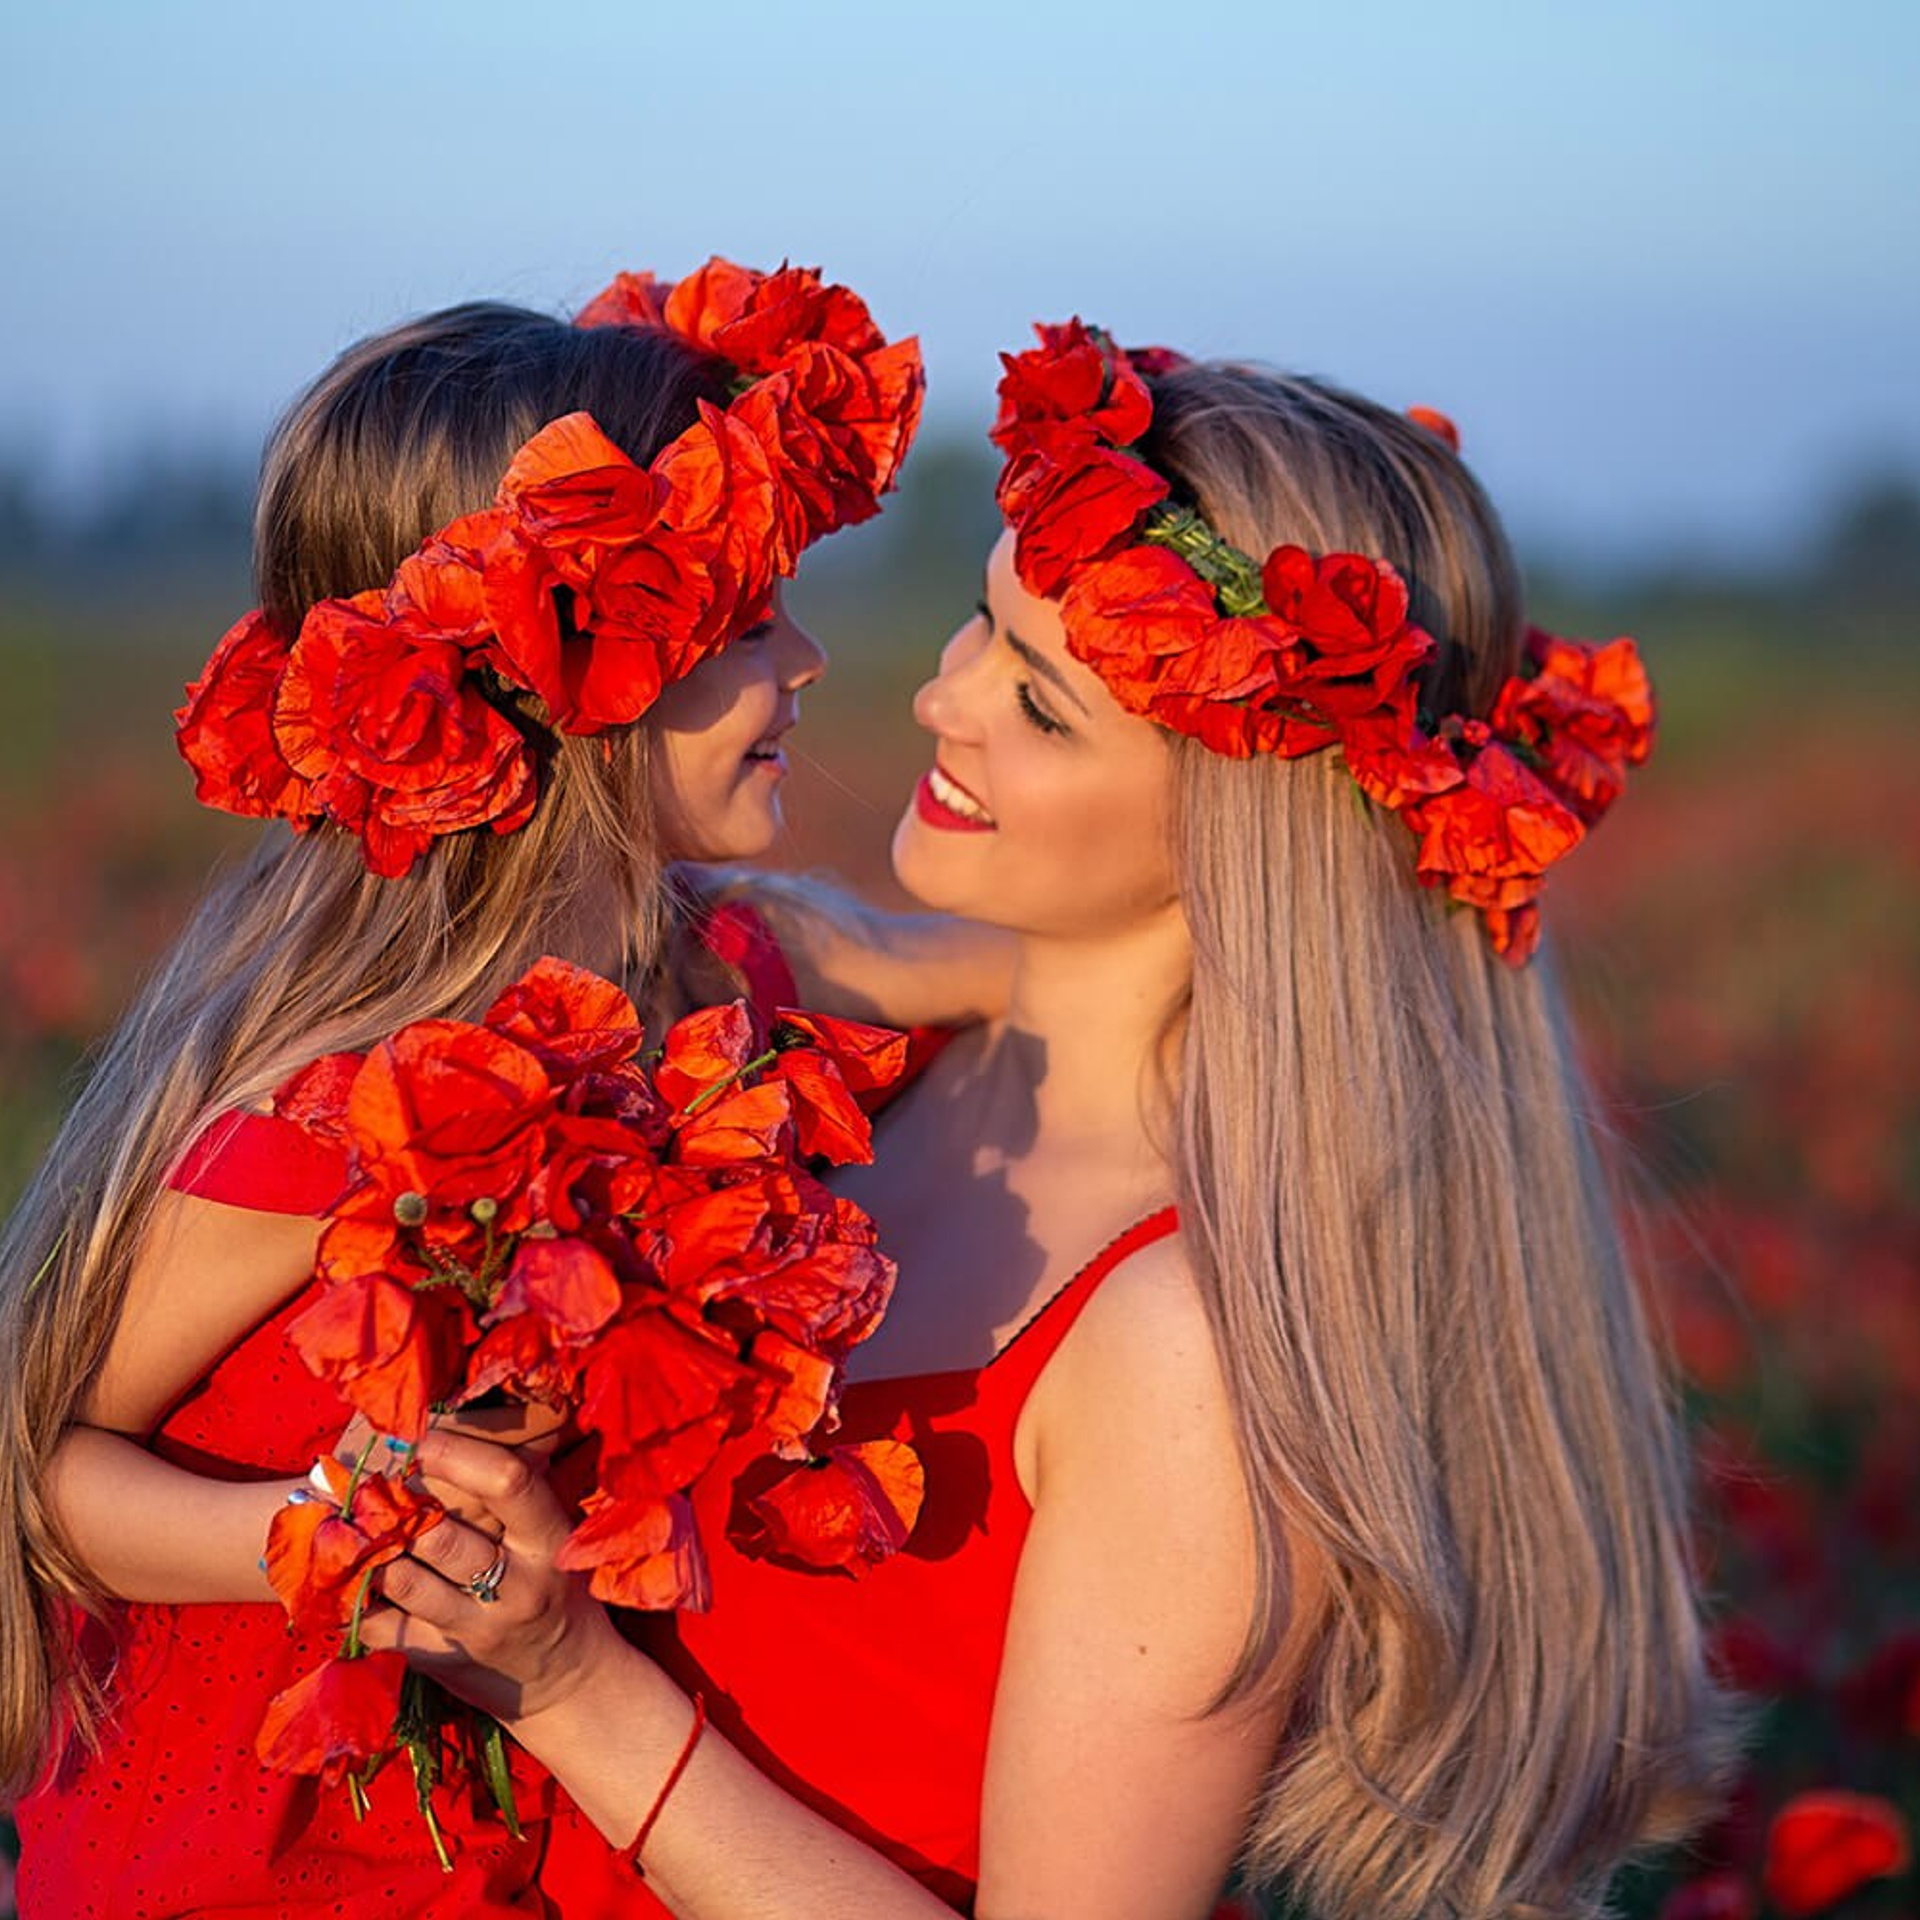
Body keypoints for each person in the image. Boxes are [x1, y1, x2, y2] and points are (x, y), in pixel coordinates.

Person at [363, 322, 1738, 1919]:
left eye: (1044, 702)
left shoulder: (1185, 1351)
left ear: (1243, 820)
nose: (946, 702)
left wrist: (574, 1692)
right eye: (980, 623)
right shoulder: (834, 1067)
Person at [0, 259, 1009, 1916]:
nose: (813, 661)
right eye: (747, 625)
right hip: (265, 1870)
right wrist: (330, 1531)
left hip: (558, 1838)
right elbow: (54, 1469)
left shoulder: (734, 975)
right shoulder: (343, 1104)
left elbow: (1060, 974)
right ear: (574, 680)